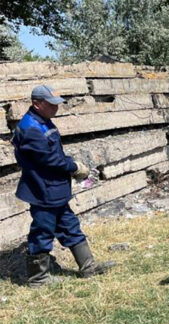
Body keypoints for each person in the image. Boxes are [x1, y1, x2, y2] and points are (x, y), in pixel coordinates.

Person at [12, 85, 111, 287]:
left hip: (54, 189)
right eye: (51, 105)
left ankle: (88, 266)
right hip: (42, 190)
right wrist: (74, 166)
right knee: (42, 232)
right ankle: (38, 279)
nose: (55, 108)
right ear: (37, 104)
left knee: (70, 226)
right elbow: (49, 160)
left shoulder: (43, 121)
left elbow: (54, 154)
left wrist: (69, 164)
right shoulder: (31, 128)